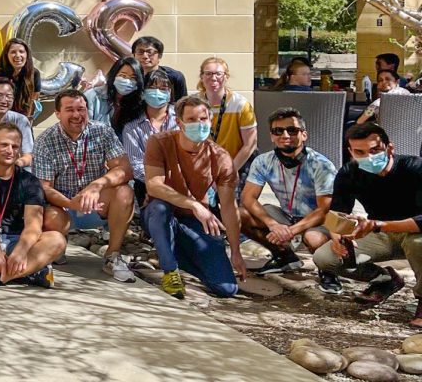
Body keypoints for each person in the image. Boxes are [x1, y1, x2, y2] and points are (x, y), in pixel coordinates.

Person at [312, 123, 422, 326]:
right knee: (325, 258)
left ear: (390, 148)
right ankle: (385, 279)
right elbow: (336, 213)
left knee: (418, 244)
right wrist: (338, 237)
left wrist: (378, 225)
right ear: (350, 152)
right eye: (360, 152)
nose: (368, 157)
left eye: (374, 150)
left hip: (413, 232)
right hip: (380, 234)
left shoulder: (414, 168)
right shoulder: (349, 172)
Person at [142, 95, 246, 299]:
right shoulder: (160, 142)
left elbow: (228, 207)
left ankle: (173, 254)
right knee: (160, 208)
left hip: (193, 221)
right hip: (162, 213)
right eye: (191, 120)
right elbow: (154, 186)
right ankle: (170, 270)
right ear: (179, 122)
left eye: (203, 119)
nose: (199, 124)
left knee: (227, 289)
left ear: (210, 120)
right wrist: (194, 205)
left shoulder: (220, 156)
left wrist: (235, 251)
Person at [33, 89, 136, 282]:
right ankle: (56, 248)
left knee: (125, 192)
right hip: (64, 206)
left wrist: (97, 185)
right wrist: (72, 203)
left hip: (96, 203)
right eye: (69, 109)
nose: (76, 115)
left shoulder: (102, 131)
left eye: (81, 109)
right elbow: (44, 188)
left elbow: (125, 169)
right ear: (58, 114)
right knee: (47, 213)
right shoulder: (45, 141)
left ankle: (112, 256)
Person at [241, 108, 338, 291]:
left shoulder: (321, 164)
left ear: (304, 135)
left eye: (292, 130)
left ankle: (328, 270)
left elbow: (324, 210)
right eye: (278, 131)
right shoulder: (263, 161)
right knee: (240, 214)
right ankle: (285, 257)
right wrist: (272, 224)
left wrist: (292, 231)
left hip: (316, 220)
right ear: (271, 136)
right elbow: (248, 198)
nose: (285, 135)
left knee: (313, 237)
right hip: (286, 215)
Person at [0, 122, 66, 287]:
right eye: (4, 145)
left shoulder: (30, 181)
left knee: (57, 240)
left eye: (15, 146)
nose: (10, 150)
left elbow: (33, 226)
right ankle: (29, 274)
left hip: (17, 239)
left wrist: (21, 252)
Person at [196, 57, 257, 191]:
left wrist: (229, 170)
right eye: (208, 73)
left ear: (226, 76)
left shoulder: (241, 104)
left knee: (235, 206)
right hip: (204, 165)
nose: (213, 78)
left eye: (218, 73)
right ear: (201, 76)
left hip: (237, 163)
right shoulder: (194, 103)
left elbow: (250, 144)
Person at [122, 69, 178, 206]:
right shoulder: (131, 127)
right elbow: (135, 164)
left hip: (182, 182)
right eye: (152, 88)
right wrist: (158, 185)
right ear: (143, 93)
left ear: (170, 93)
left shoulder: (182, 119)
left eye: (163, 88)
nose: (157, 92)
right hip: (146, 185)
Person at [83, 56, 144, 136]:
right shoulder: (92, 96)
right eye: (123, 76)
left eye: (133, 78)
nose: (127, 81)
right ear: (114, 75)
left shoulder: (139, 103)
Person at [0, 37, 42, 118]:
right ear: (6, 55)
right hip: (2, 119)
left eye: (21, 51)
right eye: (13, 52)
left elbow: (33, 102)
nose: (18, 55)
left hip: (24, 119)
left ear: (27, 54)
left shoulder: (34, 73)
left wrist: (27, 123)